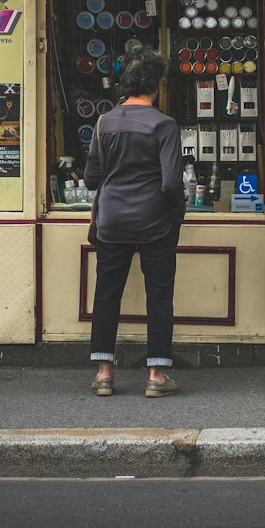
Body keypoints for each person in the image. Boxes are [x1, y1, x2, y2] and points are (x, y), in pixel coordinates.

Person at [83, 47, 185, 397]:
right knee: (159, 296)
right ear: (157, 84)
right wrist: (175, 216)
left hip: (112, 222)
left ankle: (104, 373)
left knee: (106, 294)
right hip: (155, 223)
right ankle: (156, 376)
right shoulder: (165, 125)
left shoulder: (104, 122)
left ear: (126, 83)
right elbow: (172, 182)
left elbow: (90, 179)